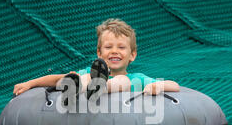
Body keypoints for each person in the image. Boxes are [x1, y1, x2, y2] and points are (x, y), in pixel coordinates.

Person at [13, 19, 180, 98]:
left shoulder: (137, 78)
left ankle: (100, 86)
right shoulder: (89, 72)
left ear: (132, 55)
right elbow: (55, 79)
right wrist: (30, 83)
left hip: (115, 89)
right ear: (99, 53)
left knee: (123, 80)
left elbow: (175, 86)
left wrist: (157, 85)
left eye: (121, 47)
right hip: (87, 88)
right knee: (82, 77)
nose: (114, 51)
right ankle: (77, 88)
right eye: (108, 47)